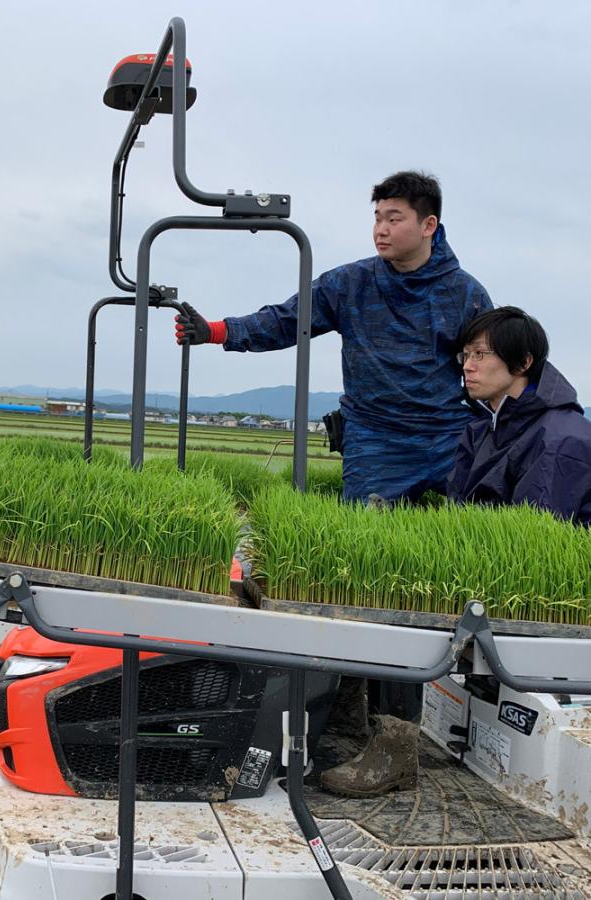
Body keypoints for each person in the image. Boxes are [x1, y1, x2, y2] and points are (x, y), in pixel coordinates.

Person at [176, 171, 493, 798]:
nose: (381, 226)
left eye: (395, 216)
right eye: (377, 214)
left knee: (421, 592)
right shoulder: (351, 284)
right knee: (358, 582)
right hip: (375, 443)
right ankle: (348, 706)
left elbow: (494, 360)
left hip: (447, 442)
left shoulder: (464, 295)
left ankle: (398, 743)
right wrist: (216, 331)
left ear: (429, 224)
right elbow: (284, 320)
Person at [447, 307, 591, 525]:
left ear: (524, 362)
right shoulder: (479, 431)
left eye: (479, 354)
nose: (467, 366)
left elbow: (536, 537)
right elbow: (457, 517)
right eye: (465, 355)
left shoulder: (560, 439)